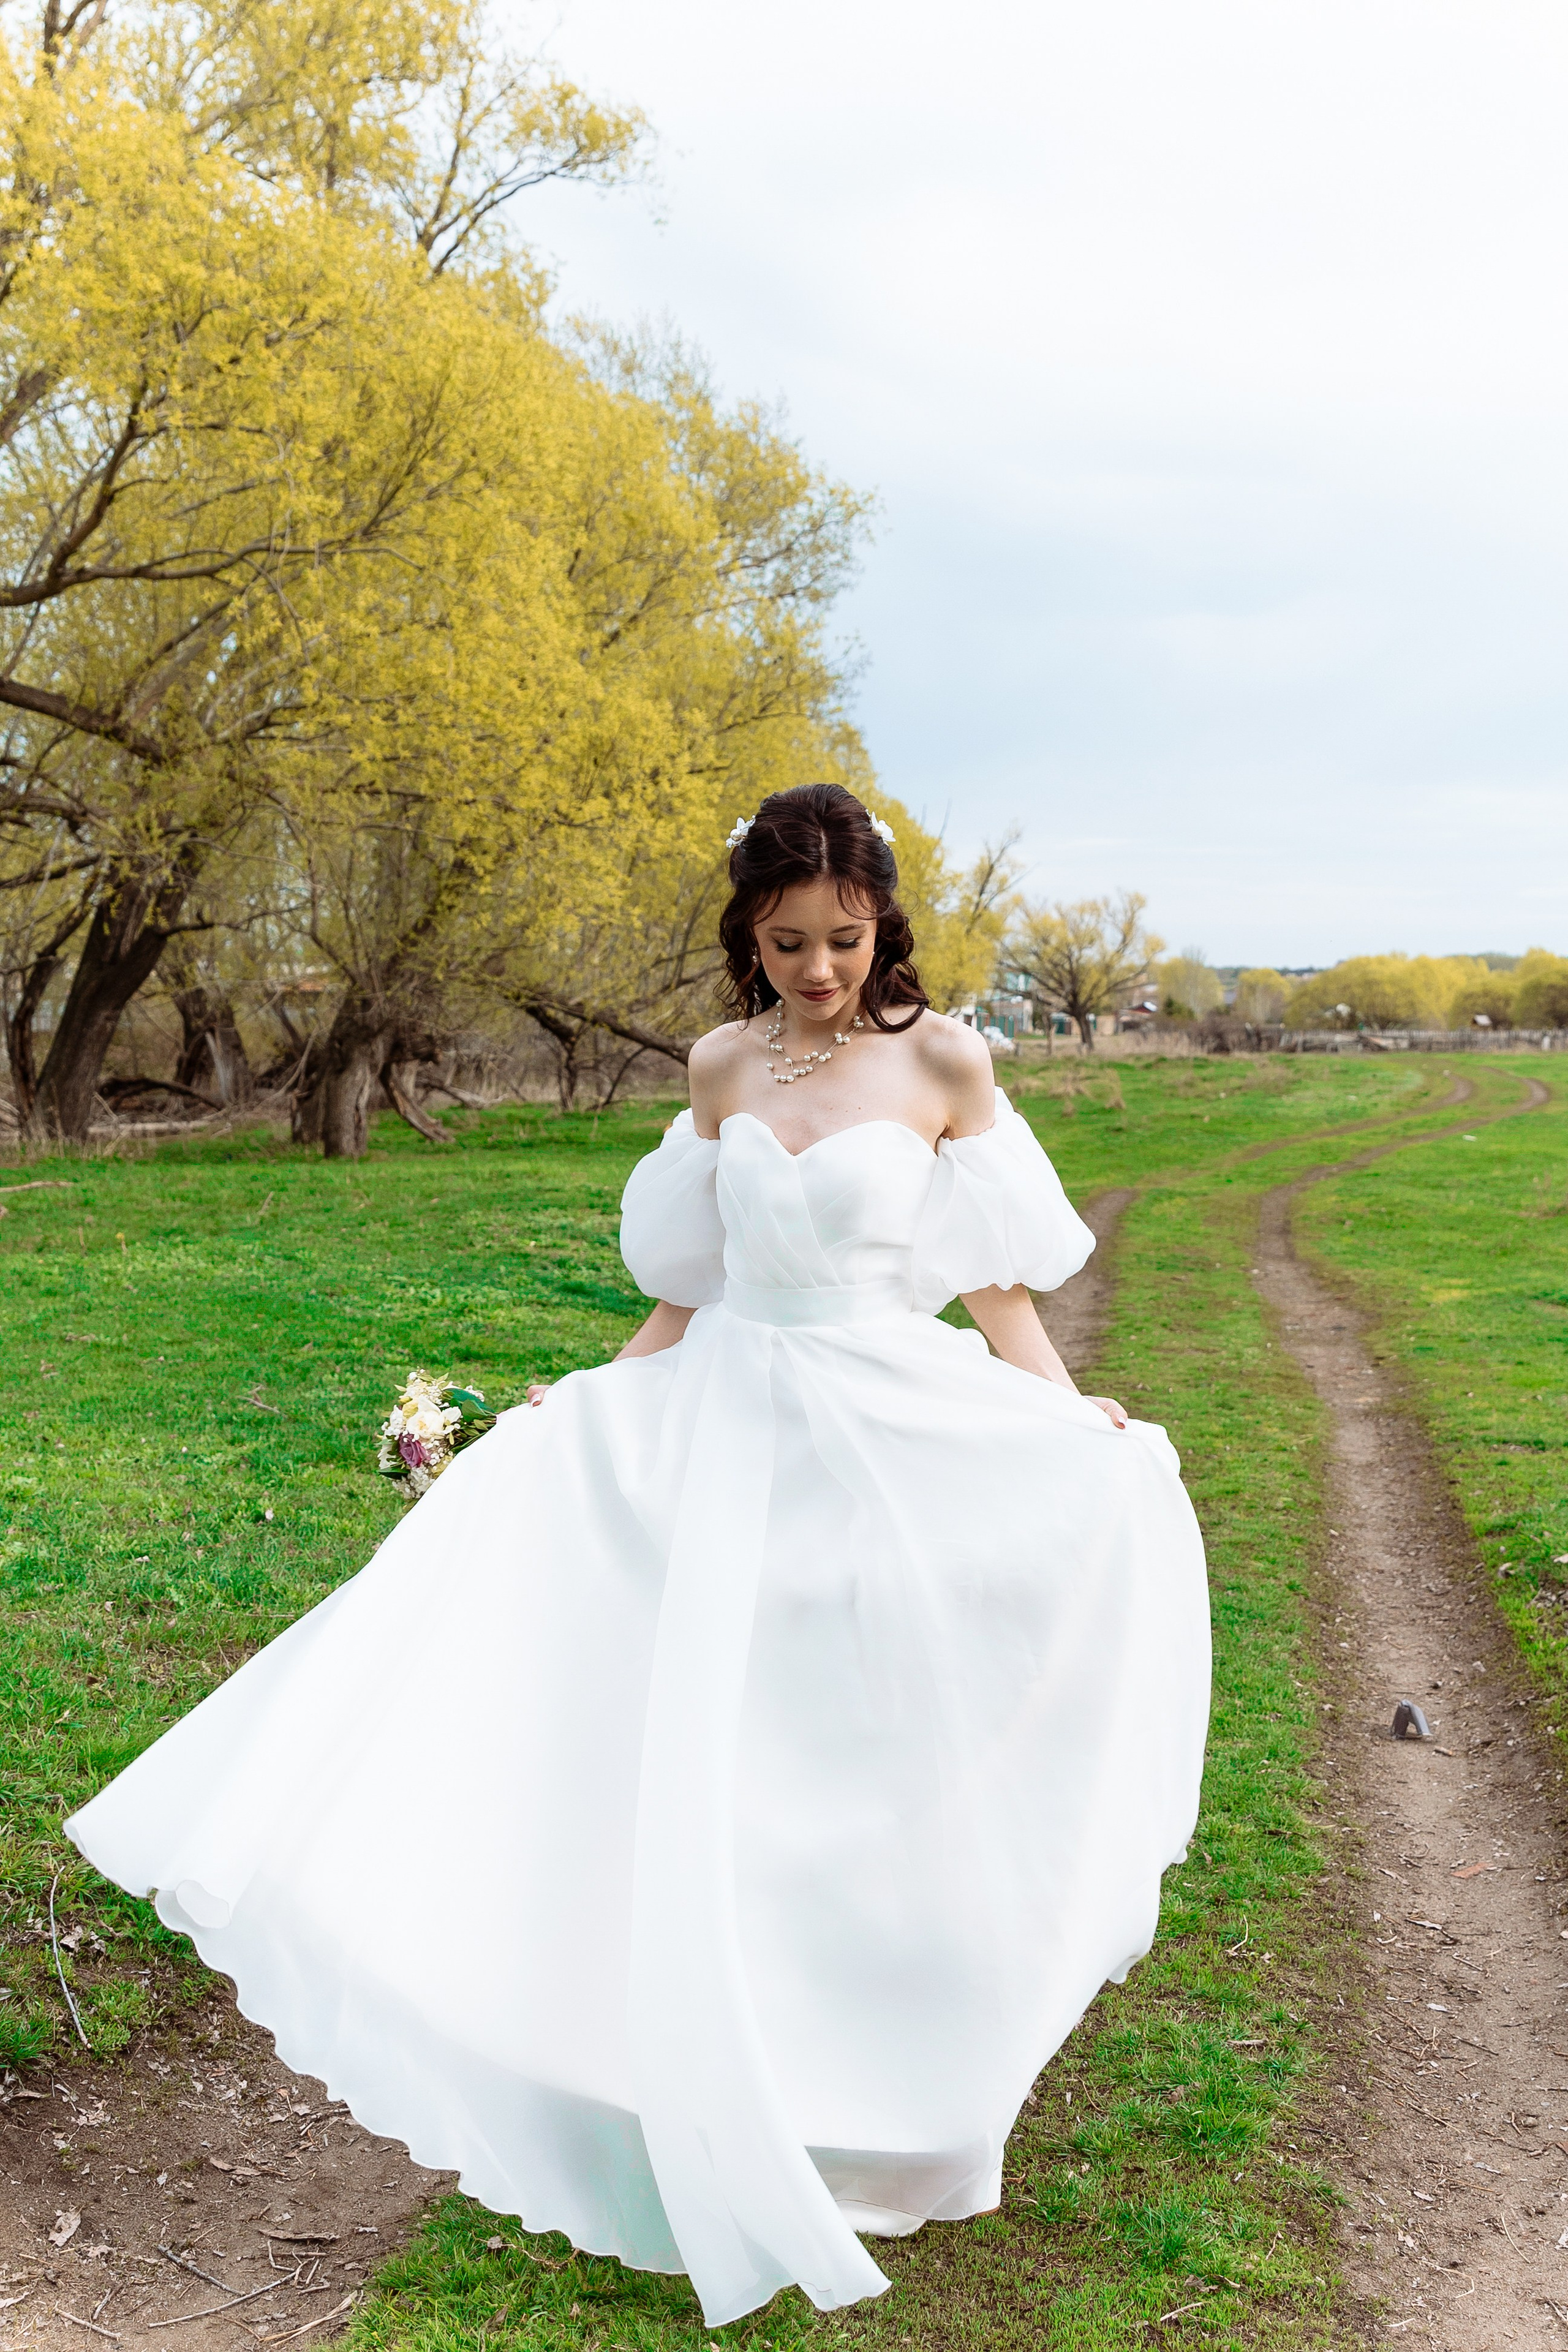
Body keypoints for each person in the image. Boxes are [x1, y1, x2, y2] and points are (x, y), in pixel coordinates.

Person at [67, 785, 1210, 2329]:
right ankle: (691, 2083)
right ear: (747, 938)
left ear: (882, 926)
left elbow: (997, 1290)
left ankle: (897, 2099)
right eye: (784, 940)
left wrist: (1071, 1434)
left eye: (841, 938)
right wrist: (591, 1400)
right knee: (720, 1760)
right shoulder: (719, 1067)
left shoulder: (942, 1058)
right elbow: (689, 1280)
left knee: (867, 1759)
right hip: (732, 1421)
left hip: (888, 1424)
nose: (814, 967)